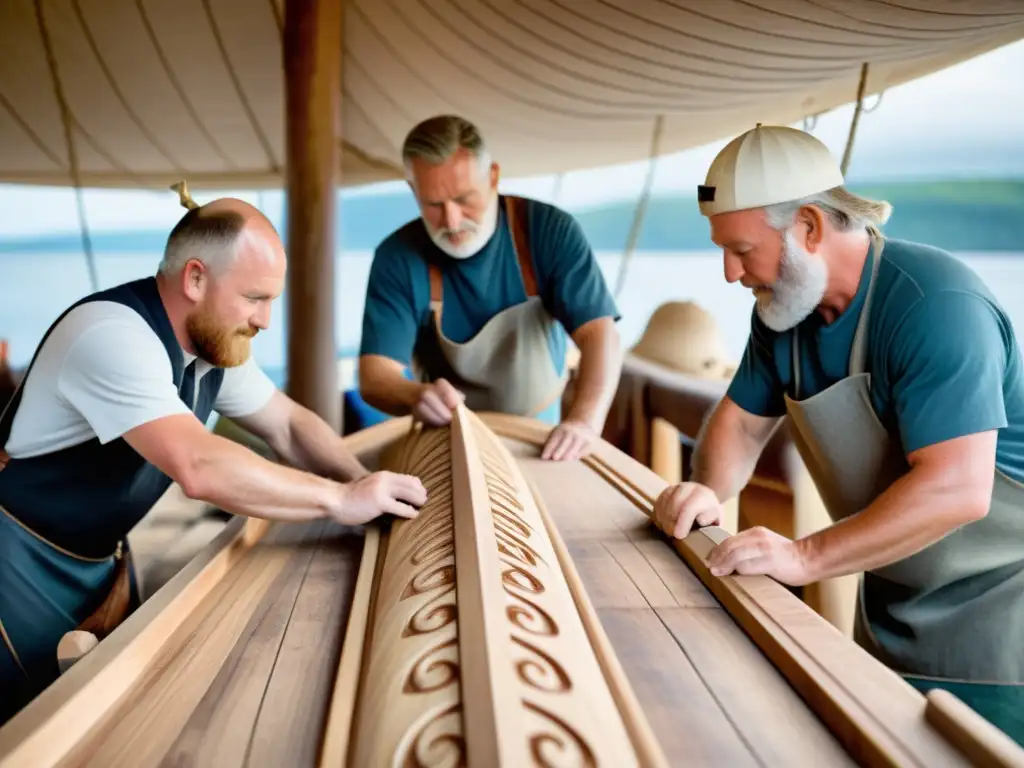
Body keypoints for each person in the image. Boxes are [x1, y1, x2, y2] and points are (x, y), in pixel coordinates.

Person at [652, 124, 1024, 741]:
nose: (728, 272)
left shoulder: (936, 303)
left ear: (809, 226)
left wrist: (803, 557)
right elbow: (741, 425)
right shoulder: (782, 313)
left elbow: (959, 488)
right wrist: (705, 493)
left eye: (742, 250)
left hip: (1000, 631)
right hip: (887, 602)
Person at [0, 188, 426, 724]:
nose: (266, 320)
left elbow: (289, 425)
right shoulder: (110, 335)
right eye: (255, 298)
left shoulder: (212, 349)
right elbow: (197, 466)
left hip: (99, 561)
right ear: (195, 278)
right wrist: (340, 500)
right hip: (15, 566)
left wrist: (365, 482)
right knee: (26, 725)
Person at [358, 115, 623, 462]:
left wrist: (584, 423)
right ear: (413, 191)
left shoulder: (547, 231)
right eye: (433, 205)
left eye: (464, 198)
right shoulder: (397, 257)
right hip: (446, 444)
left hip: (542, 442)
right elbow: (375, 375)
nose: (451, 221)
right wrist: (413, 395)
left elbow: (600, 334)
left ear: (493, 176)